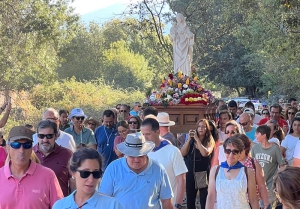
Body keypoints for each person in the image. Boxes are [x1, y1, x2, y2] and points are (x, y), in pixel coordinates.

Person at [99, 133, 174, 208]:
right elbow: (104, 198)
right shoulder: (113, 168)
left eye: (140, 155)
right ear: (126, 153)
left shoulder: (158, 169)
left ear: (146, 153)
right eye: (132, 156)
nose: (136, 160)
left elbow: (166, 200)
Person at [0, 126, 63, 208]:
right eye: (16, 145)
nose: (21, 151)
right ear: (7, 148)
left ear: (32, 148)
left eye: (27, 145)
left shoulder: (48, 176)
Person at [53, 147, 123, 209]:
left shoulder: (112, 205)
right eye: (85, 173)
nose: (91, 179)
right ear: (73, 172)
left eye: (96, 173)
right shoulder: (59, 206)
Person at [141, 118, 187, 208]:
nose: (145, 138)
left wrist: (177, 204)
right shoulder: (142, 152)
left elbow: (181, 179)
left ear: (158, 132)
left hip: (168, 204)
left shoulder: (172, 151)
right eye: (143, 134)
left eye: (148, 134)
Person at [206, 136, 259, 209]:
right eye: (228, 151)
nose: (231, 155)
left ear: (240, 153)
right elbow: (211, 197)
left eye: (235, 151)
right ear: (224, 151)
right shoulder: (215, 171)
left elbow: (253, 199)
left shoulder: (247, 172)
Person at [181, 119, 215, 209]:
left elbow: (205, 153)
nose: (201, 129)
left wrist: (198, 140)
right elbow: (182, 153)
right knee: (190, 199)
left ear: (207, 129)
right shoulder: (192, 140)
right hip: (190, 172)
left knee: (203, 199)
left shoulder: (209, 140)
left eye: (203, 126)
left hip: (202, 173)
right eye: (199, 126)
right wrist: (189, 140)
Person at [33, 120, 73, 197]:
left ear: (56, 136)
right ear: (37, 136)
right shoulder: (29, 154)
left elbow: (74, 183)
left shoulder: (67, 155)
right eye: (41, 136)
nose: (45, 140)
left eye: (49, 136)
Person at [251, 125, 285, 209]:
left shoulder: (275, 149)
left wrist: (277, 182)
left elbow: (282, 166)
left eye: (257, 133)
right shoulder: (254, 148)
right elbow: (250, 165)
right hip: (257, 187)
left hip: (270, 186)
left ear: (264, 135)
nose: (255, 136)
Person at [237, 134, 269, 208]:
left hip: (251, 203)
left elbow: (262, 185)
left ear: (245, 148)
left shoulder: (253, 163)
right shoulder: (230, 164)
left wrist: (266, 203)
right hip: (235, 203)